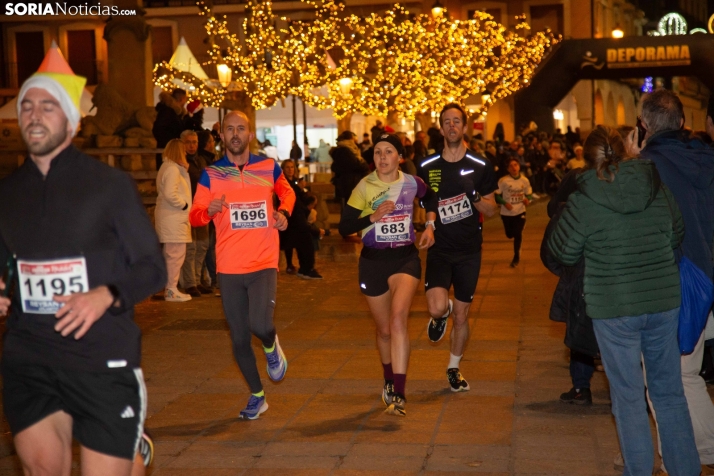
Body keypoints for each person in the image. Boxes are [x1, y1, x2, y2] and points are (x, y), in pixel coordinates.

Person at [0, 48, 166, 475]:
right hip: (30, 356)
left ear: (72, 121)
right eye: (27, 105)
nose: (35, 114)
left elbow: (152, 266)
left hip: (100, 359)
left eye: (48, 105)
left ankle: (131, 447)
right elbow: (6, 265)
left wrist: (106, 295)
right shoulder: (7, 194)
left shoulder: (108, 186)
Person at [548, 125, 699, 476]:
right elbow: (677, 231)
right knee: (669, 393)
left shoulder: (584, 198)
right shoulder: (655, 186)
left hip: (613, 306)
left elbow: (563, 251)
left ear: (587, 160)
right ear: (627, 149)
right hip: (662, 301)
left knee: (628, 397)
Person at [189, 111, 295, 420]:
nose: (235, 133)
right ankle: (257, 395)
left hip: (263, 261)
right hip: (229, 266)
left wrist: (284, 212)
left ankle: (270, 344)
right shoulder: (211, 174)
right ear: (221, 136)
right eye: (229, 129)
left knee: (259, 325)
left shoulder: (268, 166)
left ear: (250, 134)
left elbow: (286, 192)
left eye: (241, 128)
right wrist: (207, 210)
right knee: (237, 338)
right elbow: (194, 216)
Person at [638, 89, 714, 473]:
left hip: (680, 286)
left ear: (644, 125)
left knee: (669, 380)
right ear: (684, 123)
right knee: (688, 375)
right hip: (708, 282)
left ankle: (683, 459)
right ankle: (703, 449)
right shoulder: (710, 158)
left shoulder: (646, 168)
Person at [339, 133, 437, 416]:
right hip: (372, 262)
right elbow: (344, 227)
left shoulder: (410, 182)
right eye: (378, 152)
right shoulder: (365, 186)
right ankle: (388, 378)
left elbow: (431, 198)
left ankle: (400, 392)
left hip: (405, 258)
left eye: (389, 151)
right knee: (383, 331)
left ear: (400, 157)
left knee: (397, 320)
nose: (382, 157)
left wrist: (430, 226)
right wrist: (372, 217)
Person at [418, 103, 498, 392]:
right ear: (441, 128)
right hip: (440, 248)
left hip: (469, 251)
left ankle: (453, 368)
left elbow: (491, 211)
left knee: (463, 316)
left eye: (457, 121)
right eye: (446, 122)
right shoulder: (427, 166)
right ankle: (442, 313)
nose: (452, 126)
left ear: (465, 127)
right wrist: (428, 225)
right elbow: (428, 203)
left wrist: (473, 194)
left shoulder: (481, 166)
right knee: (437, 308)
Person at [541, 168, 599, 406]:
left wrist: (567, 271)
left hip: (584, 275)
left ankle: (581, 386)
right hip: (618, 275)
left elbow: (552, 250)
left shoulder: (577, 185)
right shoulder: (634, 181)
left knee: (581, 330)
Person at [155, 139, 193, 302]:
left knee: (172, 253)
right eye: (183, 151)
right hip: (173, 218)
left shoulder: (169, 167)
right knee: (175, 254)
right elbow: (171, 194)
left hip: (171, 217)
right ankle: (171, 289)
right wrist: (184, 205)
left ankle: (170, 287)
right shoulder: (172, 169)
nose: (185, 153)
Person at [179, 130, 211, 297]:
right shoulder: (180, 162)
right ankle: (190, 283)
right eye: (188, 142)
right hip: (189, 208)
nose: (192, 145)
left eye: (195, 142)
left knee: (202, 245)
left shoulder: (201, 161)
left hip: (203, 208)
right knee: (190, 247)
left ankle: (198, 280)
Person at [279, 160, 322, 279]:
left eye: (292, 167)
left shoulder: (295, 181)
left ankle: (305, 268)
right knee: (302, 242)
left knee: (302, 244)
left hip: (299, 217)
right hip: (291, 218)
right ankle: (304, 268)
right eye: (287, 167)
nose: (290, 169)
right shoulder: (284, 182)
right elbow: (291, 196)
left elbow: (302, 197)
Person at [495, 158, 532, 267]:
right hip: (506, 213)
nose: (514, 167)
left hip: (520, 211)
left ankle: (516, 257)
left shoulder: (524, 180)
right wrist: (504, 203)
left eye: (515, 165)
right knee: (509, 234)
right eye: (511, 166)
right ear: (508, 169)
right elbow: (496, 195)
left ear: (519, 166)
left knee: (518, 233)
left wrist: (527, 200)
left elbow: (528, 193)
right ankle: (511, 233)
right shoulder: (503, 181)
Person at [331, 130, 369, 209]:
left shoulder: (348, 150)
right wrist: (364, 164)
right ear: (350, 139)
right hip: (349, 183)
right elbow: (355, 164)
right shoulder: (345, 151)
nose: (356, 142)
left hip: (351, 183)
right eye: (354, 139)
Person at [152, 88, 187, 170]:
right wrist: (171, 143)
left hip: (171, 150)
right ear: (181, 99)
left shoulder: (173, 112)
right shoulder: (168, 112)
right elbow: (159, 130)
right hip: (168, 151)